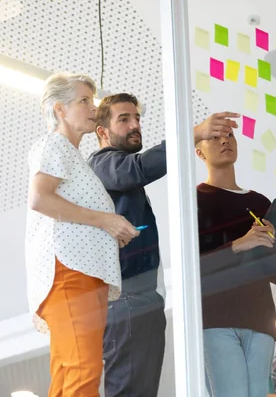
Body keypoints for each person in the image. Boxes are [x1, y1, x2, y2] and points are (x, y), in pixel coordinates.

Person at [88, 92, 238, 396]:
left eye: (137, 118)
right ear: (102, 132)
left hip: (140, 300)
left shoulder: (117, 173)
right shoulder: (103, 164)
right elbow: (140, 168)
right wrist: (194, 132)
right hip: (126, 300)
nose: (135, 125)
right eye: (124, 119)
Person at [25, 73, 138, 397]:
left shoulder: (74, 158)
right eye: (84, 101)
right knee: (82, 369)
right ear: (59, 109)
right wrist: (105, 221)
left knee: (69, 372)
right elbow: (40, 198)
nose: (94, 107)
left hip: (82, 273)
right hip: (69, 271)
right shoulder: (53, 144)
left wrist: (107, 228)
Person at [196, 127, 276, 397]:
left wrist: (272, 246)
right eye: (214, 136)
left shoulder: (259, 202)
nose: (225, 140)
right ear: (198, 151)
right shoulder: (194, 200)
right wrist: (239, 245)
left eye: (229, 135)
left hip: (260, 320)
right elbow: (192, 270)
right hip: (215, 320)